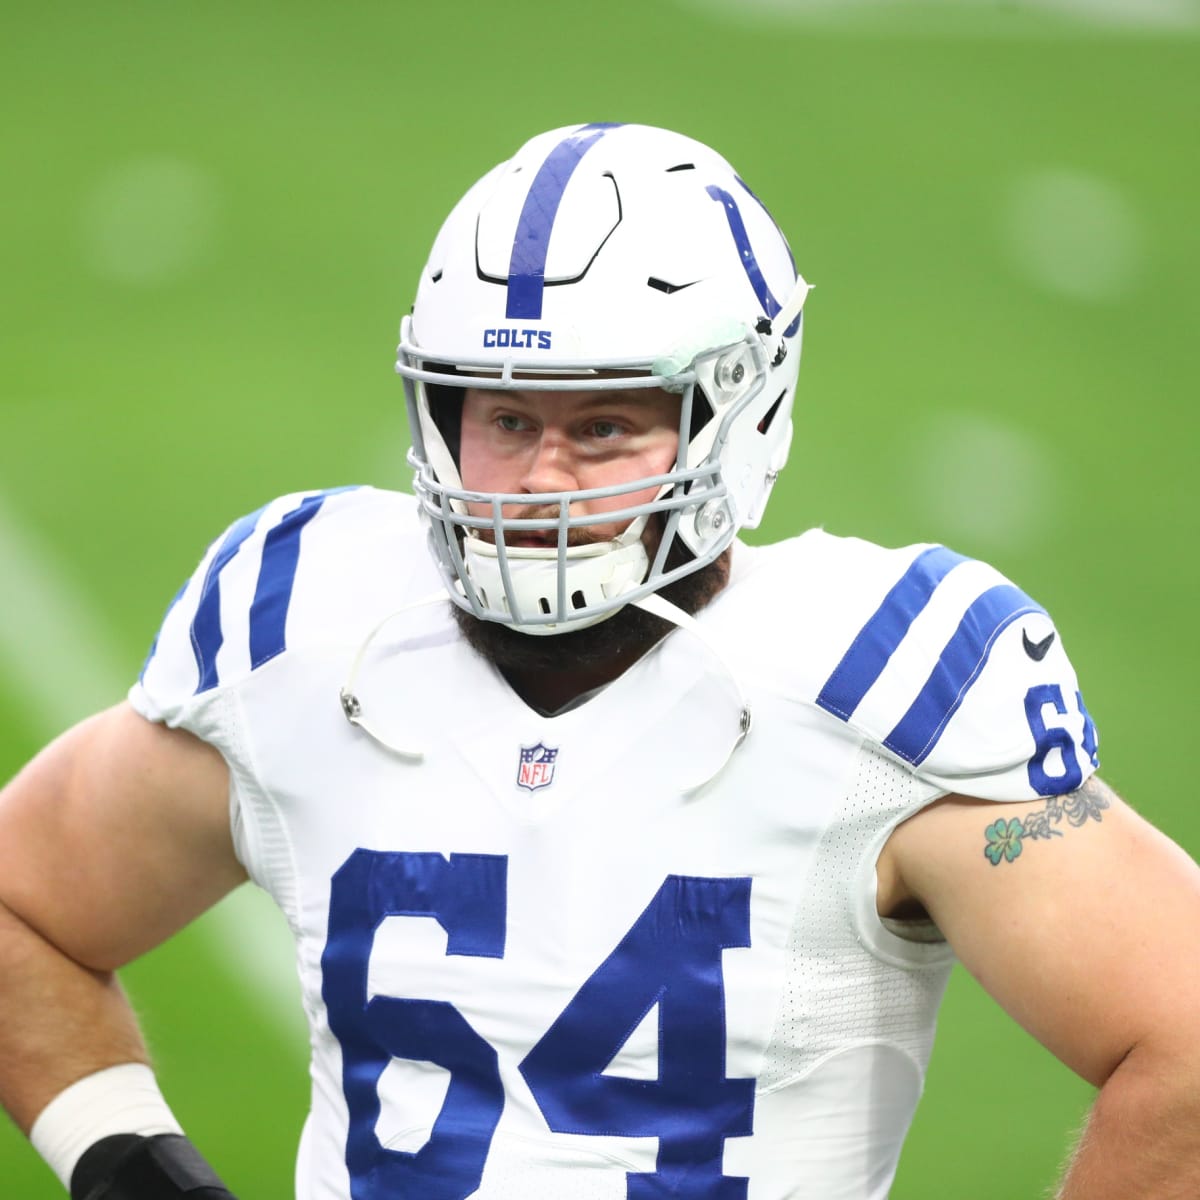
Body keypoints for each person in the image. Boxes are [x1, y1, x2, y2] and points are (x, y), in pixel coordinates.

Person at [1, 122, 1198, 1200]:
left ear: (739, 415)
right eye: (507, 420)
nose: (539, 485)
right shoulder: (308, 632)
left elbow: (1185, 1046)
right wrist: (129, 1168)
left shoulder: (882, 680)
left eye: (604, 426)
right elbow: (22, 904)